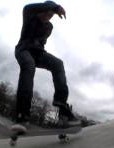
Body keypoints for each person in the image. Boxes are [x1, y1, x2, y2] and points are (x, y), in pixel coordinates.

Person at [13, 1, 80, 131]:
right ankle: (22, 115)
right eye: (46, 14)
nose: (47, 18)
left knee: (58, 64)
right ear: (41, 10)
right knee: (29, 65)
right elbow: (30, 7)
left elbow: (41, 43)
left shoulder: (49, 27)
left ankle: (61, 103)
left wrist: (52, 11)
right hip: (23, 50)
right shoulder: (29, 14)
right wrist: (55, 7)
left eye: (50, 16)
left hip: (38, 54)